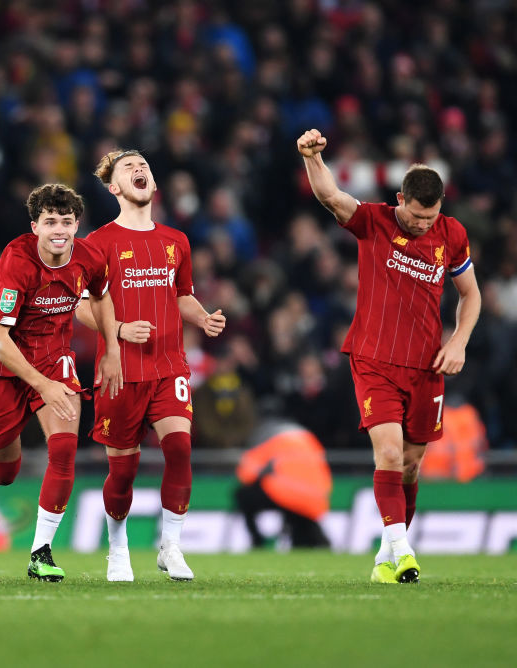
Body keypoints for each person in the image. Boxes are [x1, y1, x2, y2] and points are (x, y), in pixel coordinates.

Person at [297, 129, 481, 584]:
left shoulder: (452, 234)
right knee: (390, 452)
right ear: (400, 199)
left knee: (413, 464)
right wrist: (311, 157)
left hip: (426, 366)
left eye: (430, 216)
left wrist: (457, 342)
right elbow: (329, 195)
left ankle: (385, 557)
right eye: (416, 215)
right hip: (373, 358)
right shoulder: (373, 221)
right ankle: (403, 551)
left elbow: (471, 295)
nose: (422, 224)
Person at [73, 149, 226, 582]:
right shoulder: (98, 244)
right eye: (129, 168)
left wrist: (203, 316)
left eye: (144, 166)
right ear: (114, 187)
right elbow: (82, 307)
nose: (139, 170)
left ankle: (171, 546)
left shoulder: (176, 241)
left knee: (179, 448)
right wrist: (118, 329)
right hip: (120, 372)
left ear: (154, 184)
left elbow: (181, 295)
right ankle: (118, 547)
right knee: (122, 471)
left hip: (169, 365)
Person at [0, 183, 122, 582]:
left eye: (66, 222)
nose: (59, 230)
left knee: (65, 447)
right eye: (50, 221)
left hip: (55, 355)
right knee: (7, 466)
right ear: (34, 226)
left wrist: (111, 350)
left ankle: (40, 552)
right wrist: (42, 384)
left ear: (77, 225)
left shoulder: (88, 257)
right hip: (3, 363)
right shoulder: (16, 261)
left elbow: (101, 298)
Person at [234, 420, 332, 549]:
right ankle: (321, 543)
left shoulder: (271, 442)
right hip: (315, 499)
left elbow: (246, 473)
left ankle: (257, 541)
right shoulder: (310, 441)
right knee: (302, 534)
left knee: (243, 495)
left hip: (285, 495)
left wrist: (264, 476)